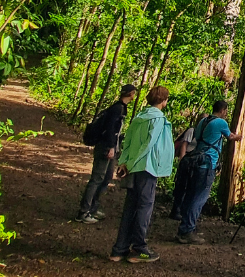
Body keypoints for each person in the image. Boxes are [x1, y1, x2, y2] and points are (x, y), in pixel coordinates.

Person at [110, 85, 173, 264]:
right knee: (144, 208)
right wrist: (129, 163)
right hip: (146, 168)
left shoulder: (140, 116)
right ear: (163, 101)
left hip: (133, 168)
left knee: (130, 207)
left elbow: (128, 140)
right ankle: (139, 248)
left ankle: (119, 250)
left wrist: (124, 161)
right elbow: (149, 144)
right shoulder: (158, 118)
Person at [175, 99, 241, 244]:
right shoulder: (221, 122)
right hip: (207, 164)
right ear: (223, 110)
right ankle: (187, 230)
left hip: (196, 161)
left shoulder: (203, 121)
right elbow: (230, 136)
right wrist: (240, 136)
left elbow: (199, 138)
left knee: (192, 195)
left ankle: (185, 228)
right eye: (226, 111)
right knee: (199, 198)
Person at [76, 84, 137, 224]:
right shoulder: (117, 108)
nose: (134, 96)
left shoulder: (120, 108)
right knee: (97, 177)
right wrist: (110, 146)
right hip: (105, 147)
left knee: (106, 177)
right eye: (133, 93)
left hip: (111, 147)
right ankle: (83, 212)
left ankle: (93, 207)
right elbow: (110, 129)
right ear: (130, 94)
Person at [169, 113, 209, 220]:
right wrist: (182, 160)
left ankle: (184, 209)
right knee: (182, 185)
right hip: (187, 159)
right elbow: (184, 145)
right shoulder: (192, 131)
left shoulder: (205, 133)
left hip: (196, 162)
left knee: (191, 186)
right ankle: (176, 209)